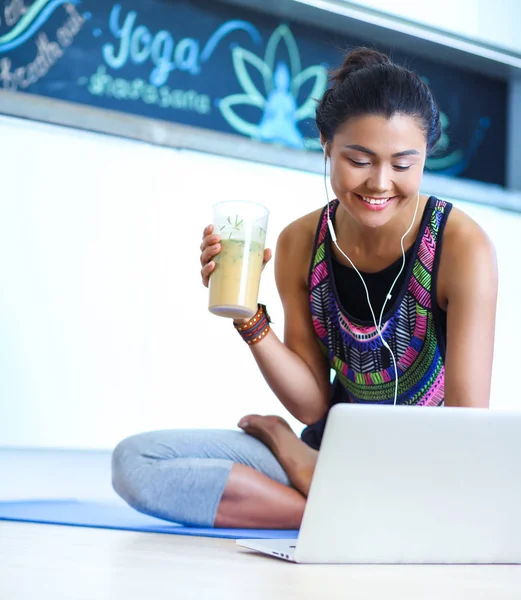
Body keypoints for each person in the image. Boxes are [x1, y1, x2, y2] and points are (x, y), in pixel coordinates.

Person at [111, 48, 498, 530]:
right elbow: (313, 403)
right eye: (359, 159)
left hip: (428, 472)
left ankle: (334, 501)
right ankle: (346, 514)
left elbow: (466, 431)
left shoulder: (461, 246)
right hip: (330, 456)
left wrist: (292, 451)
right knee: (137, 462)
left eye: (403, 164)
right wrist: (246, 314)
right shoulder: (301, 243)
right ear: (326, 146)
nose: (380, 183)